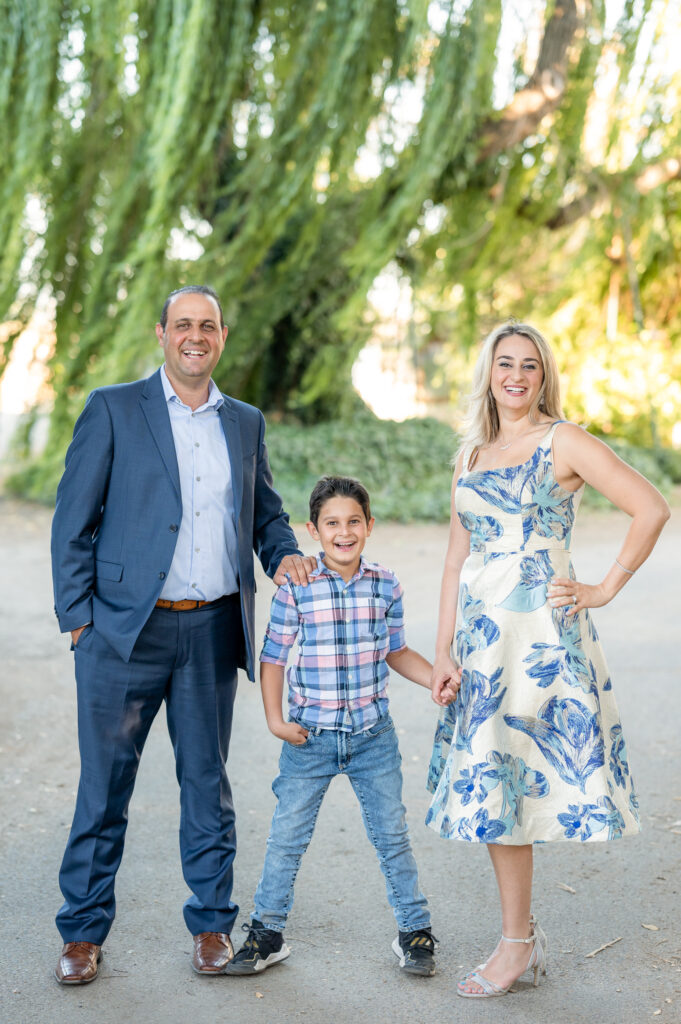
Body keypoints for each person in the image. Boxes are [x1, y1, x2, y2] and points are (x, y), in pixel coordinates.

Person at [50, 285, 317, 985]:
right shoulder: (114, 408)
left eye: (208, 326)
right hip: (122, 635)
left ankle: (210, 926)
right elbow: (71, 521)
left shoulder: (244, 422)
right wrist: (80, 623)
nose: (195, 336)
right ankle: (81, 934)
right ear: (162, 333)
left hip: (209, 632)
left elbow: (265, 515)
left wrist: (282, 550)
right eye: (183, 325)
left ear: (221, 337)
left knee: (207, 786)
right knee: (103, 790)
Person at [425, 321, 670, 999]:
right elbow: (453, 560)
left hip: (540, 643)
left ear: (542, 376)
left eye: (527, 365)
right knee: (492, 787)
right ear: (488, 373)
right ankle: (520, 942)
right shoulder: (471, 454)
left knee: (518, 787)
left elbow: (649, 507)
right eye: (504, 363)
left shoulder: (562, 440)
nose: (515, 376)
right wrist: (443, 649)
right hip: (482, 647)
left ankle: (514, 945)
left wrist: (601, 589)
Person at [224, 476, 459, 978]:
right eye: (332, 523)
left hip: (374, 738)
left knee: (392, 835)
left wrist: (434, 678)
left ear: (369, 527)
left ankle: (414, 932)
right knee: (286, 836)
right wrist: (275, 720)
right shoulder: (298, 587)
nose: (344, 531)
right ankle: (267, 932)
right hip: (309, 738)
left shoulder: (385, 584)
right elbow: (273, 658)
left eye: (354, 521)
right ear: (314, 529)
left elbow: (396, 651)